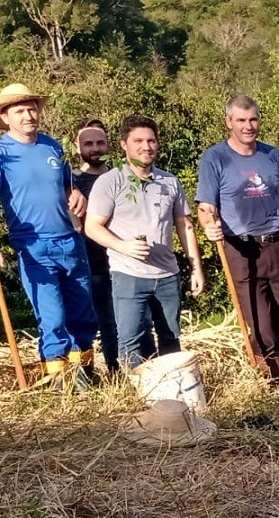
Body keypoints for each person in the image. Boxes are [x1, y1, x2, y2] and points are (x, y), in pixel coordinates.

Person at [0, 82, 98, 388]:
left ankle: (85, 379)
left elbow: (66, 186)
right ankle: (58, 384)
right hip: (33, 247)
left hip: (70, 241)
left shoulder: (52, 146)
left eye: (31, 109)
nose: (29, 115)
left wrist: (75, 194)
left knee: (83, 314)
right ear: (5, 117)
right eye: (20, 111)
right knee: (52, 318)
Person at [195, 94, 279, 386]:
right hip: (241, 249)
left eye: (253, 119)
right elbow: (205, 206)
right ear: (229, 122)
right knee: (262, 328)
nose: (248, 126)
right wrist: (208, 226)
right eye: (241, 120)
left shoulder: (273, 155)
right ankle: (270, 386)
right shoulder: (215, 157)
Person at [83, 115, 205, 370]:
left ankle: (172, 387)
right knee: (131, 339)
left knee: (170, 337)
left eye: (151, 141)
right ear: (123, 144)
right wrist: (123, 246)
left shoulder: (169, 181)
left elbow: (184, 226)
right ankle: (137, 391)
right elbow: (92, 227)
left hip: (167, 275)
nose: (146, 146)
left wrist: (196, 268)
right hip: (128, 275)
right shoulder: (110, 181)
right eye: (138, 141)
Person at [68, 118, 124, 375]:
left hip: (124, 260)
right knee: (99, 322)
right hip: (89, 263)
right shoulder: (70, 183)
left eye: (100, 142)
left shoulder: (122, 177)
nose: (95, 148)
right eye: (88, 143)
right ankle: (97, 374)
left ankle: (123, 372)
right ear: (77, 146)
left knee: (128, 321)